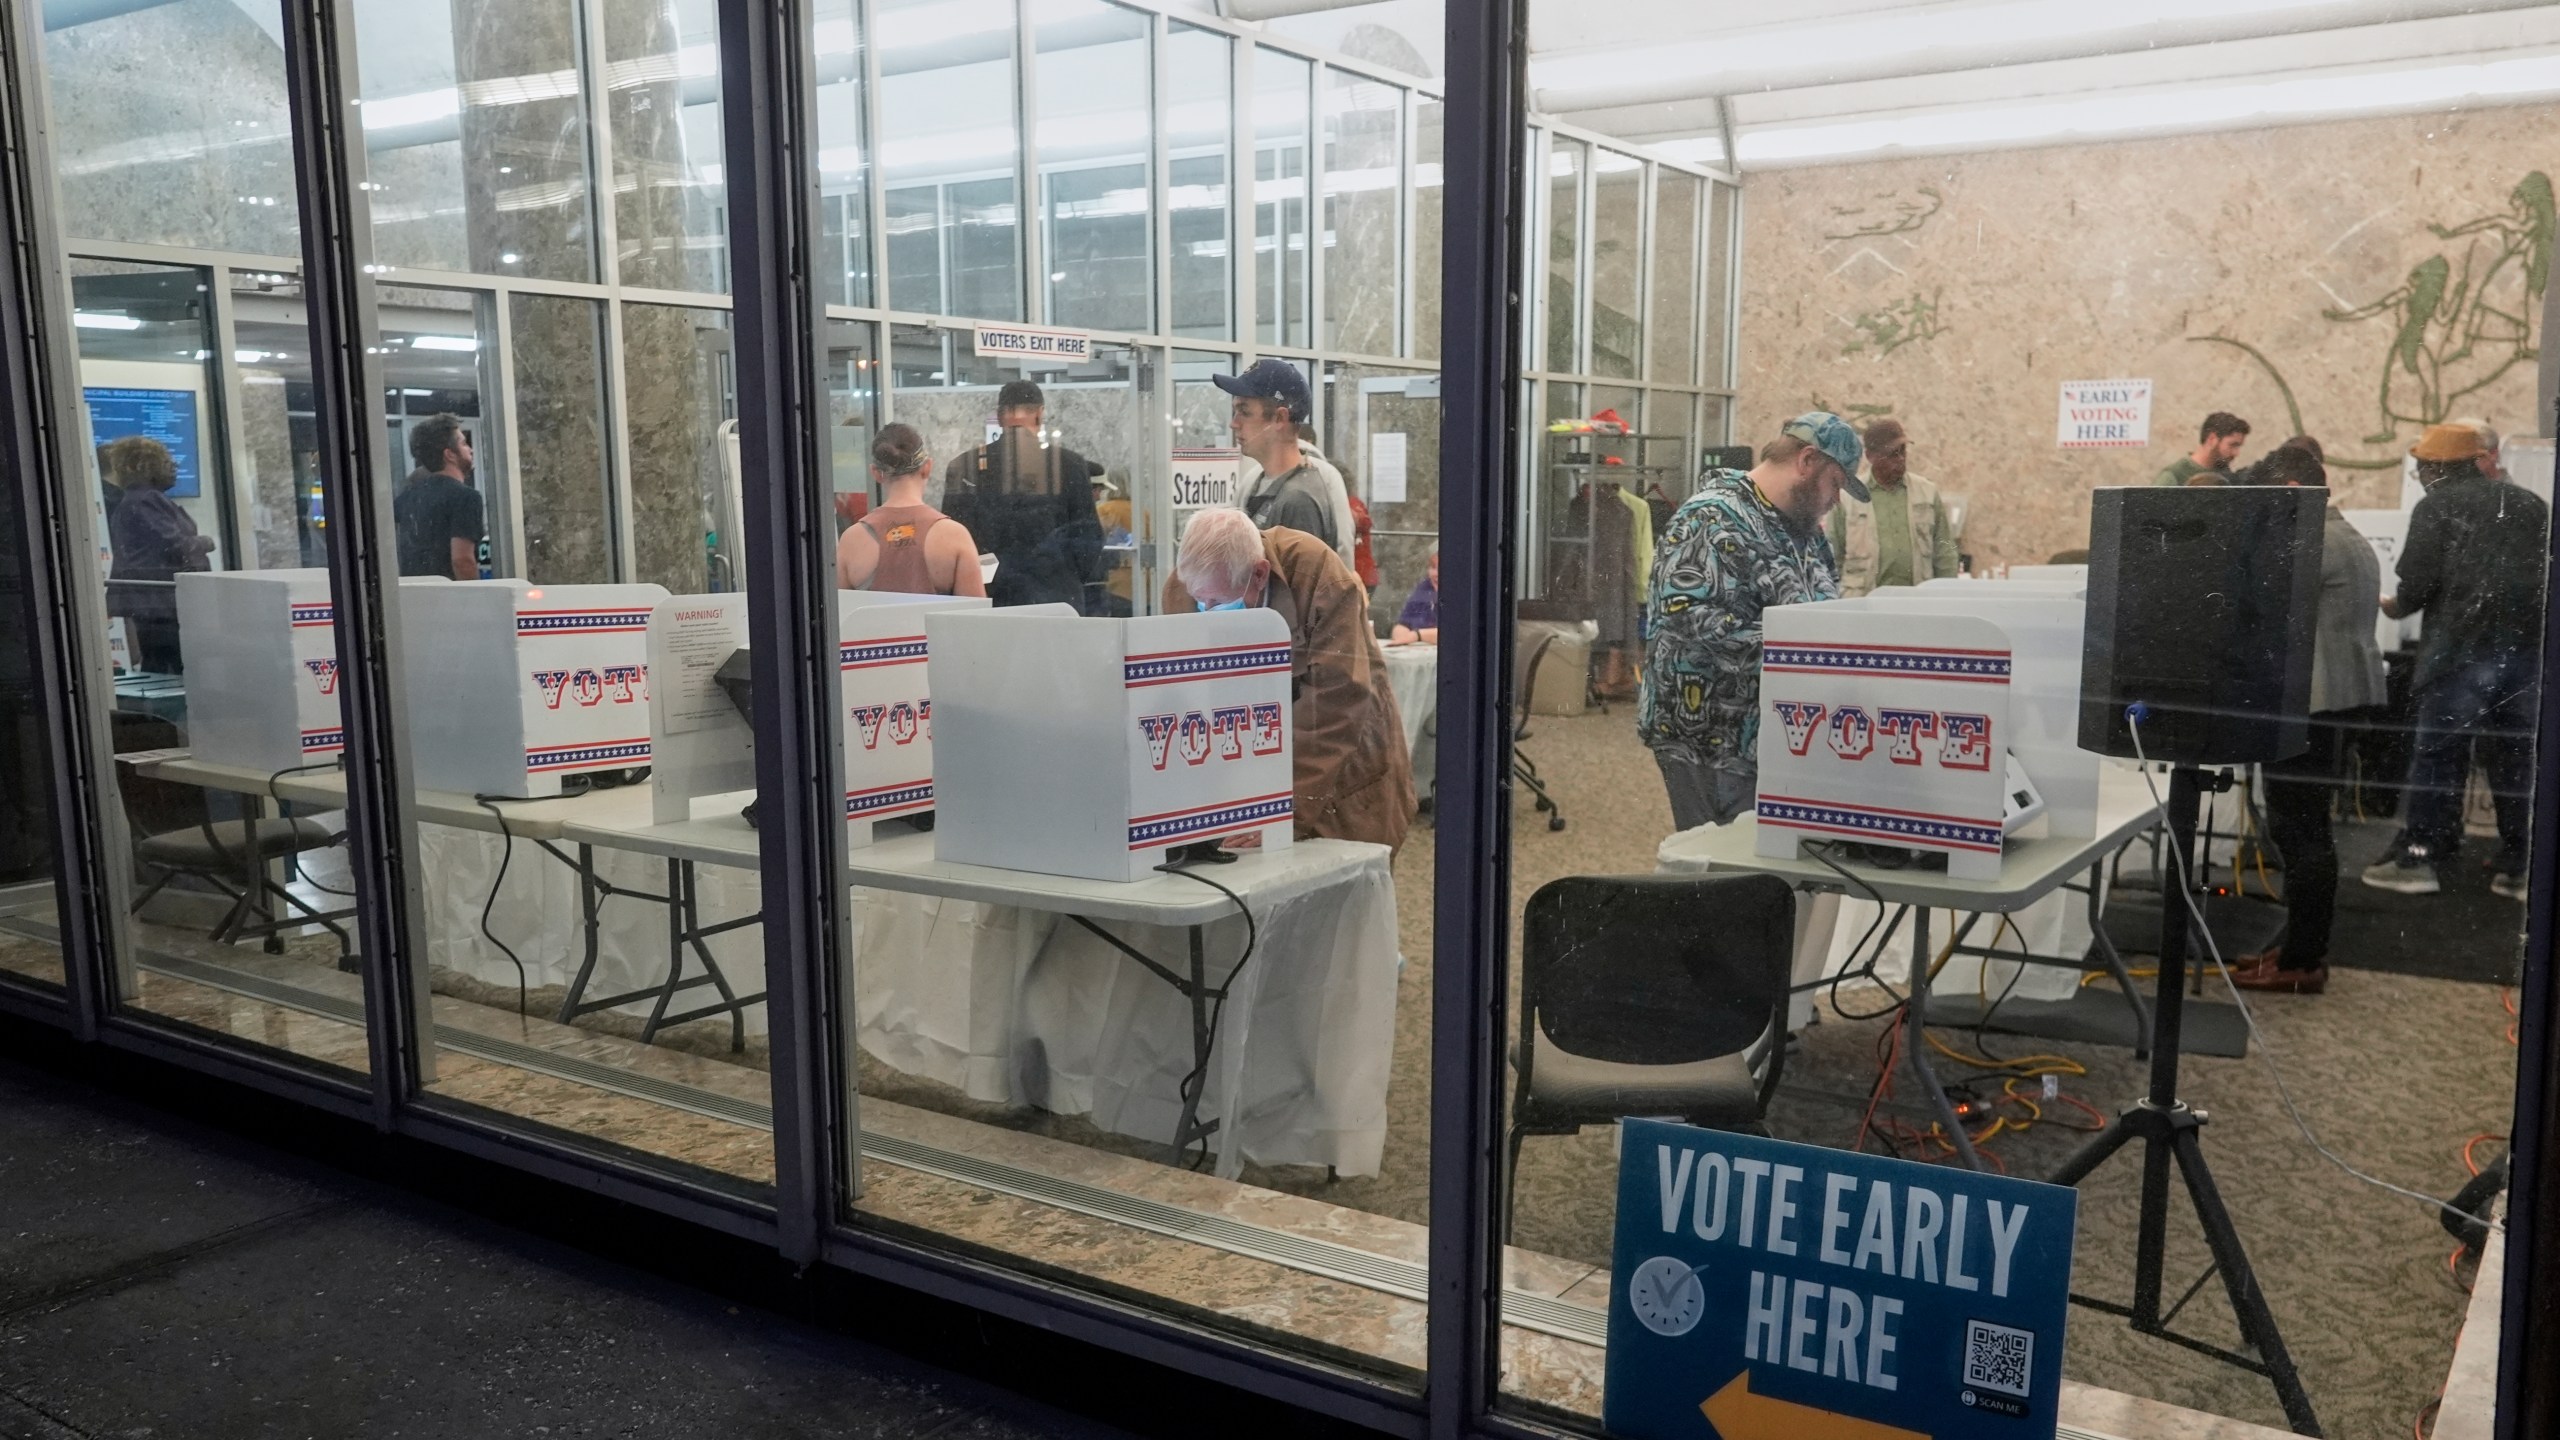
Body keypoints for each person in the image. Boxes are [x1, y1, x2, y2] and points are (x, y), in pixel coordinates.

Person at [1640, 412, 1864, 830]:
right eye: (1836, 483)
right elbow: (1689, 618)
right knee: (1723, 882)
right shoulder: (1710, 519)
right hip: (1709, 742)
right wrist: (1812, 652)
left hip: (1775, 741)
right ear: (1807, 460)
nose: (1837, 499)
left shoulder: (1806, 534)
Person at [2363, 422, 2548, 898]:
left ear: (2437, 469)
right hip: (2525, 657)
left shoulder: (2436, 507)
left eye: (2423, 466)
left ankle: (2421, 858)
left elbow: (2417, 587)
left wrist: (2393, 605)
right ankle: (2520, 866)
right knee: (2516, 762)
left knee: (2438, 757)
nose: (2420, 474)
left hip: (2457, 657)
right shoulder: (2532, 505)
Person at [1164, 507, 1414, 850]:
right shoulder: (1185, 586)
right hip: (1254, 763)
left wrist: (1284, 812)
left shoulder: (1321, 578)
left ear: (1260, 574)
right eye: (1200, 601)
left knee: (1341, 886)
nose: (1206, 611)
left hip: (1344, 765)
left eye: (1219, 603)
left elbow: (1334, 706)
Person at [2229, 442, 2384, 994]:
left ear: (2291, 491)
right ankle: (2294, 949)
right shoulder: (2346, 535)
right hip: (2337, 700)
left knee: (2300, 833)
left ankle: (2301, 960)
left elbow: (2254, 603)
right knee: (2306, 830)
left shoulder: (2310, 540)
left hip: (2312, 705)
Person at [937, 379, 1105, 610]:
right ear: (1040, 415)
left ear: (998, 417)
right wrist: (1065, 577)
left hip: (989, 596)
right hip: (1056, 597)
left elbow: (953, 538)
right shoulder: (1069, 465)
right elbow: (1089, 539)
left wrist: (986, 579)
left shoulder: (965, 466)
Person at [103, 436, 214, 673]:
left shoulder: (139, 500)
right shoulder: (145, 500)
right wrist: (206, 542)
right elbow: (174, 546)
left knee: (162, 664)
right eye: (166, 462)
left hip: (156, 602)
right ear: (143, 466)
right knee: (168, 667)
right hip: (160, 603)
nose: (174, 467)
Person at [835, 424, 984, 597]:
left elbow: (839, 619)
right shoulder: (954, 536)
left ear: (875, 473)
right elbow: (975, 620)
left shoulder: (852, 540)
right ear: (927, 467)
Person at [1215, 360, 1340, 555]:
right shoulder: (1263, 484)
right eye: (1235, 411)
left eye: (1244, 412)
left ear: (1280, 418)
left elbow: (1299, 583)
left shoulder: (1298, 500)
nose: (1234, 423)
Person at [1825, 418, 1960, 595]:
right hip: (1864, 604)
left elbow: (1945, 550)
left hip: (1918, 603)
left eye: (1903, 451)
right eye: (1891, 454)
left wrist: (1948, 594)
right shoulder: (1847, 498)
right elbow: (1832, 558)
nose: (1900, 459)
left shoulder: (1927, 492)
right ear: (1870, 456)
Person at [393, 413, 482, 581]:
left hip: (414, 597)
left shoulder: (406, 498)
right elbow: (462, 560)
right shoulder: (466, 497)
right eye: (463, 443)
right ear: (450, 455)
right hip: (449, 598)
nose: (470, 449)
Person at [2154, 412, 2249, 486]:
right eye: (2232, 445)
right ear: (2212, 439)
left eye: (2238, 446)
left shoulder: (2226, 475)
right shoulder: (2173, 476)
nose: (2236, 453)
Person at [1392, 551, 1438, 643]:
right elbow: (1403, 624)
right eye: (1433, 567)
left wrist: (1416, 635)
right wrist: (1401, 636)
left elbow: (1456, 633)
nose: (1435, 574)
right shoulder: (1424, 588)